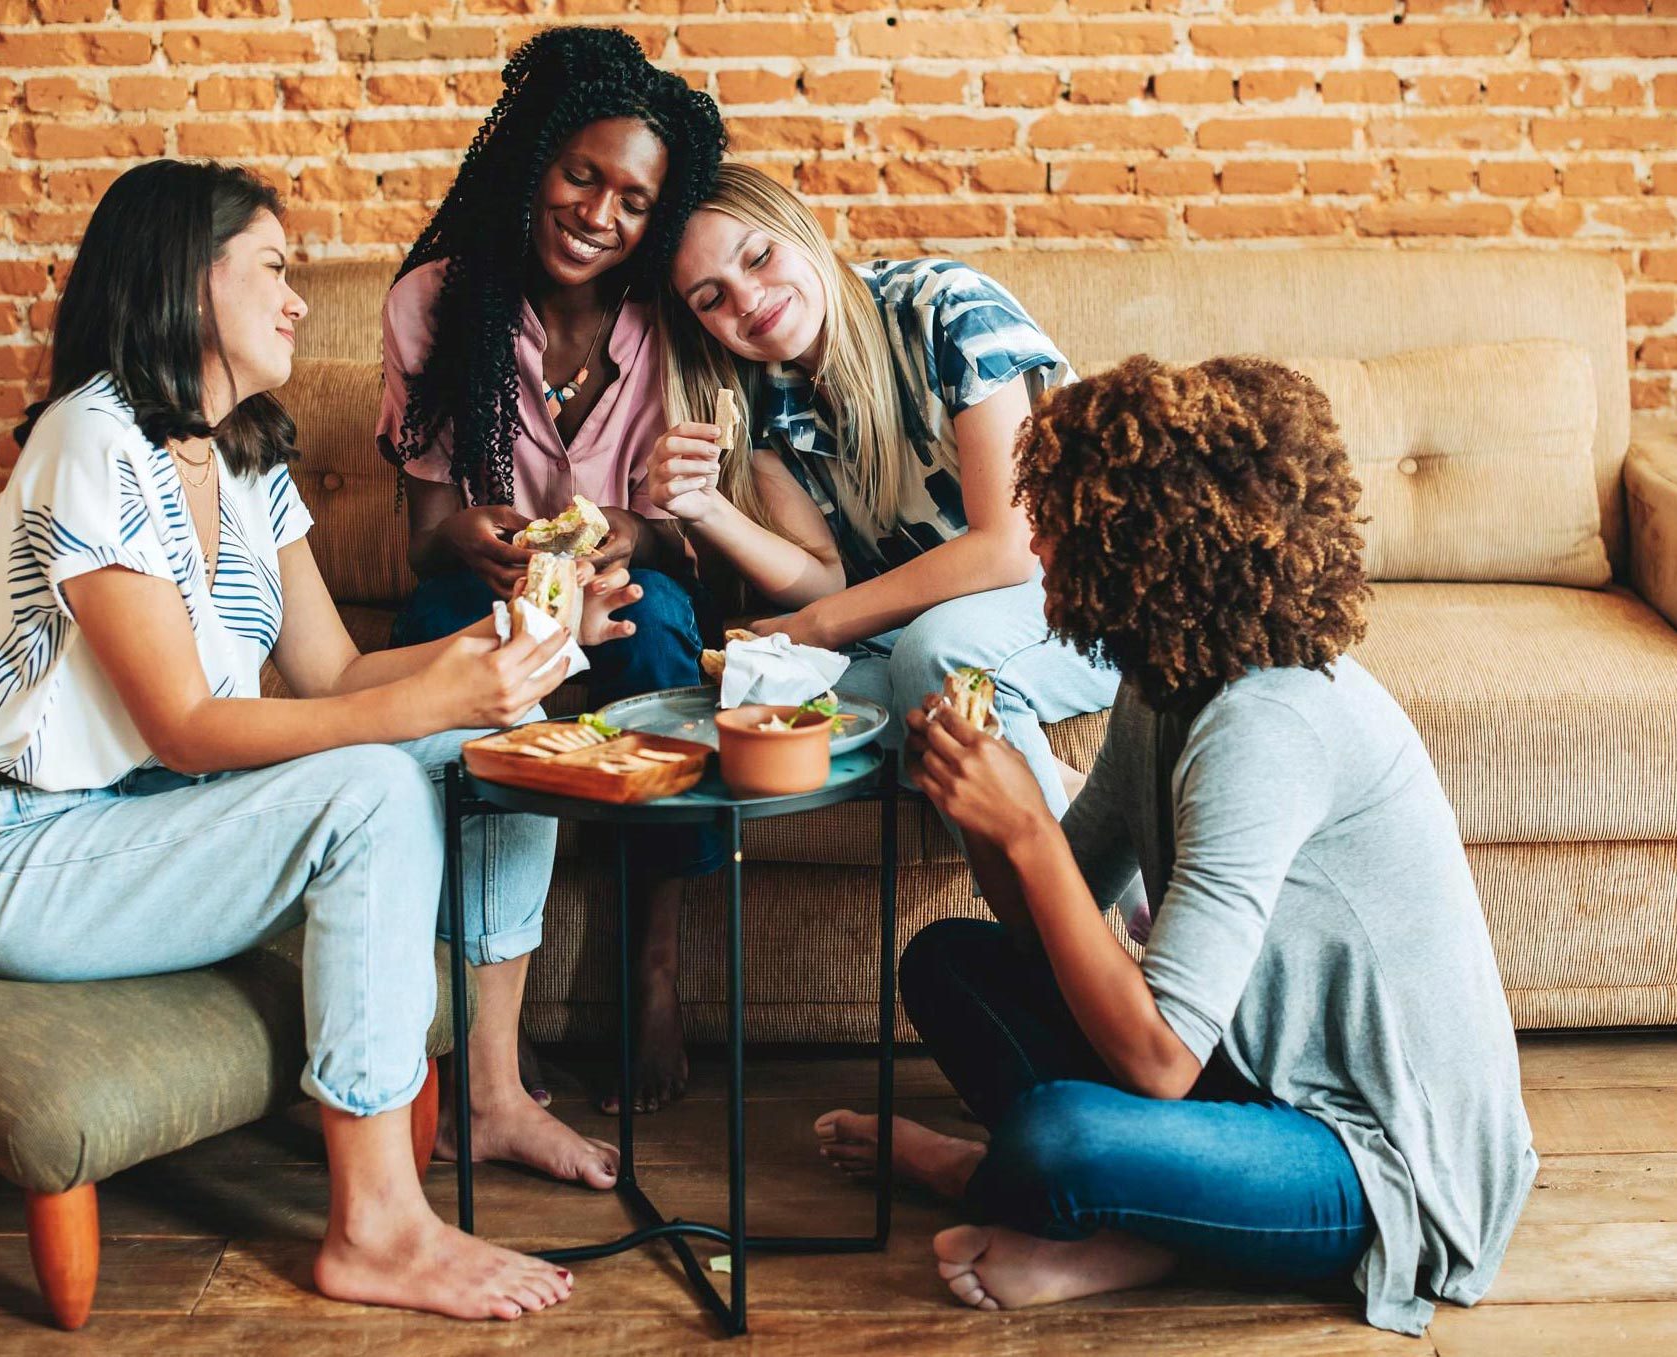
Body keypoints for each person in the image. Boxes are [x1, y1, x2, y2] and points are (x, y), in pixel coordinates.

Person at [0, 160, 642, 1321]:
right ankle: (377, 1227)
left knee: (497, 753)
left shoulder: (245, 453)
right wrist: (422, 705)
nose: (299, 299)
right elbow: (189, 727)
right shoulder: (89, 439)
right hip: (21, 853)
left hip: (155, 826)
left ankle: (494, 1095)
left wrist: (526, 636)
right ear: (184, 280)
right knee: (368, 785)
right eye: (273, 268)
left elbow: (336, 673)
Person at [812, 356, 1536, 1335]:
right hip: (1246, 1077)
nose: (1034, 544)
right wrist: (988, 815)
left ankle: (1064, 1206)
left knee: (1056, 1137)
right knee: (948, 963)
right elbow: (1054, 922)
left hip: (1377, 1159)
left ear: (1142, 547)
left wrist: (1027, 826)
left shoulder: (1265, 724)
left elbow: (1156, 1062)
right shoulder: (1166, 677)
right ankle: (1132, 1218)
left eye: (1059, 522)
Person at [378, 26, 728, 1113]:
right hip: (491, 594)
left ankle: (653, 972)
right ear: (533, 161)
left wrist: (632, 529)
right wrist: (469, 534)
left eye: (632, 200)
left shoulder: (680, 313)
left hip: (633, 590)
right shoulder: (436, 303)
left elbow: (696, 525)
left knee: (666, 637)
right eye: (582, 176)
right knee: (426, 650)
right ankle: (489, 1021)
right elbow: (424, 527)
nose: (599, 215)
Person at [651, 162, 1118, 819]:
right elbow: (822, 579)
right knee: (792, 708)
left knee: (940, 658)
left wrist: (816, 626)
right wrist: (704, 508)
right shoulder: (756, 394)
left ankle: (1064, 911)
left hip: (1087, 590)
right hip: (924, 626)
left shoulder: (945, 306)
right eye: (710, 298)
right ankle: (1094, 828)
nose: (747, 301)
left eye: (757, 257)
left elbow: (1006, 549)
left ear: (800, 228)